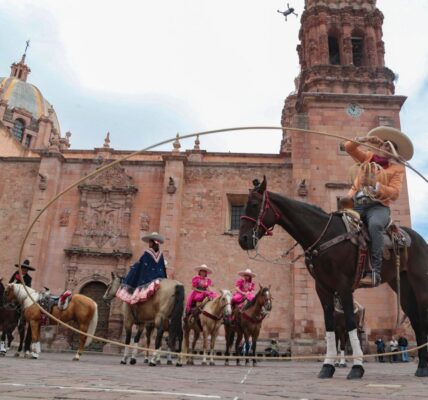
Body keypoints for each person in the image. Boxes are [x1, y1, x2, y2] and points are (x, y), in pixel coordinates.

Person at [344, 126, 414, 287]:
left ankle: (375, 269)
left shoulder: (397, 169)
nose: (385, 149)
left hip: (378, 206)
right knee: (337, 222)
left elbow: (395, 193)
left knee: (375, 226)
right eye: (384, 145)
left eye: (390, 148)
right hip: (357, 203)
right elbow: (349, 147)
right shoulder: (368, 157)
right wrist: (364, 140)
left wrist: (375, 185)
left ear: (394, 152)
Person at [116, 232, 167, 304]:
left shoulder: (147, 253)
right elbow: (163, 268)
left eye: (150, 242)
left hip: (149, 278)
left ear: (152, 243)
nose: (149, 244)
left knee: (134, 273)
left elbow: (142, 264)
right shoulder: (161, 254)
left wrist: (134, 268)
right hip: (160, 278)